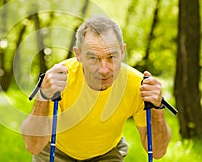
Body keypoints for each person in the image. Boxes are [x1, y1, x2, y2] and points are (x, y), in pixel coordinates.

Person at [21, 15, 171, 161]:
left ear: (122, 52)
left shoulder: (138, 86)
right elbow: (33, 146)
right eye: (93, 58)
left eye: (111, 57)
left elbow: (157, 151)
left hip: (106, 153)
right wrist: (43, 95)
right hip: (57, 150)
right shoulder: (61, 80)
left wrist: (157, 108)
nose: (104, 69)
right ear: (78, 55)